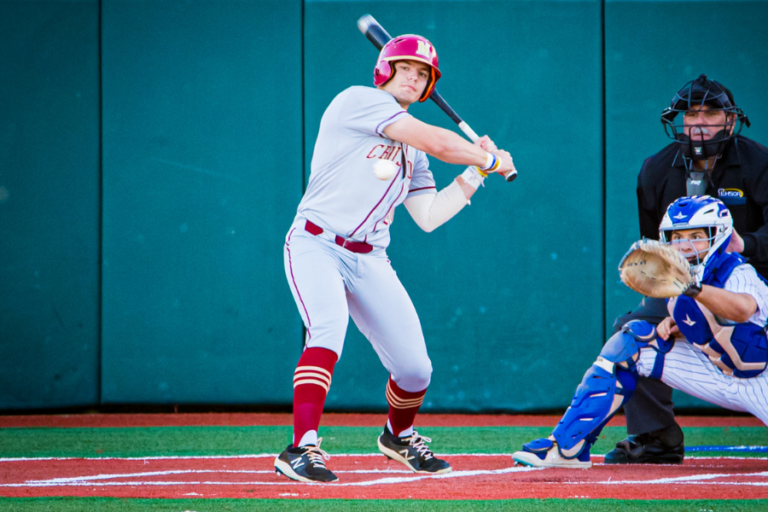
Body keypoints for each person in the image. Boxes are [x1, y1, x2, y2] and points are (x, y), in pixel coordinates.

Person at [273, 34, 516, 483]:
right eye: (406, 67)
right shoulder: (357, 101)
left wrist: (476, 172)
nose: (414, 76)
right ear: (385, 69)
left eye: (422, 73)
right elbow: (440, 142)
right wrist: (487, 156)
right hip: (316, 243)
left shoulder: (412, 149)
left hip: (369, 258)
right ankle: (300, 447)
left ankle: (397, 437)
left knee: (414, 368)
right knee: (328, 331)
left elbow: (427, 216)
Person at [512, 195, 768, 468]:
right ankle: (566, 447)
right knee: (634, 340)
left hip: (761, 380)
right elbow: (710, 327)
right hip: (717, 375)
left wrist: (693, 289)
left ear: (718, 235)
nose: (686, 245)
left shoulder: (738, 272)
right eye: (678, 237)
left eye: (696, 236)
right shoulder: (678, 285)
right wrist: (678, 325)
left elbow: (741, 310)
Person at [607, 75, 768, 464]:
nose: (699, 122)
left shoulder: (760, 162)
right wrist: (669, 301)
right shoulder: (657, 170)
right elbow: (658, 253)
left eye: (710, 113)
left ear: (729, 120)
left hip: (753, 282)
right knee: (632, 329)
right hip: (690, 290)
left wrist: (743, 244)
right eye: (691, 113)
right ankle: (655, 436)